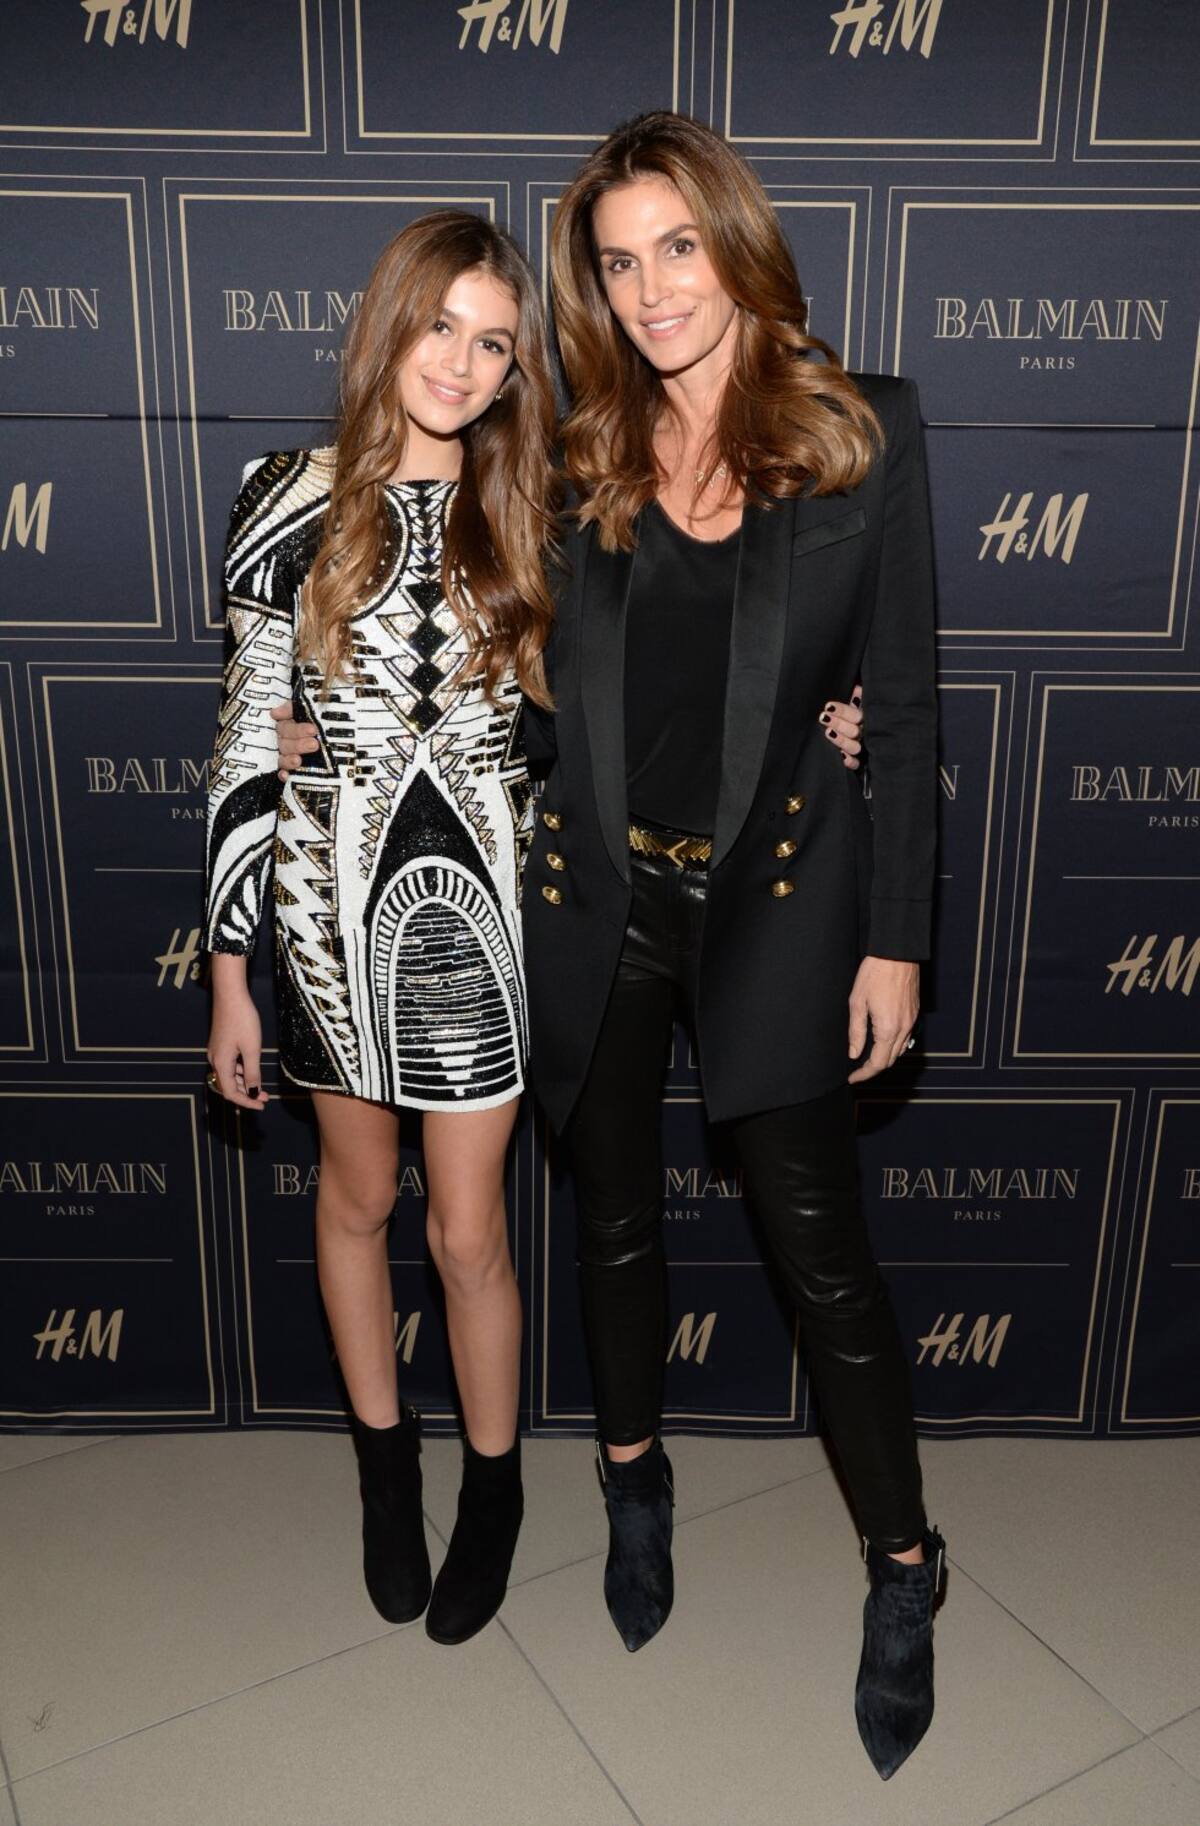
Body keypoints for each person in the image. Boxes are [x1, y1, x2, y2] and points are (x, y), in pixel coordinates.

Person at [519, 110, 944, 1781]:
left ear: (737, 243)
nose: (651, 290)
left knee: (822, 1257)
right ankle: (634, 1480)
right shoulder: (579, 452)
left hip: (778, 902)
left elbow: (902, 706)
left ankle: (905, 1563)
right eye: (619, 262)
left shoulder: (863, 434)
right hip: (607, 902)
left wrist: (895, 941)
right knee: (614, 1220)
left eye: (676, 247)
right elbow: (520, 670)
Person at [203, 210, 559, 1645]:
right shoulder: (285, 499)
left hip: (485, 920)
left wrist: (836, 710)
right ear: (388, 325)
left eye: (495, 344)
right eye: (441, 327)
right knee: (355, 1201)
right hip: (324, 908)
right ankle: (384, 1469)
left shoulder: (536, 510)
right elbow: (248, 739)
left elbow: (621, 701)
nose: (462, 365)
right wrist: (231, 970)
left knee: (470, 1232)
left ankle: (495, 1487)